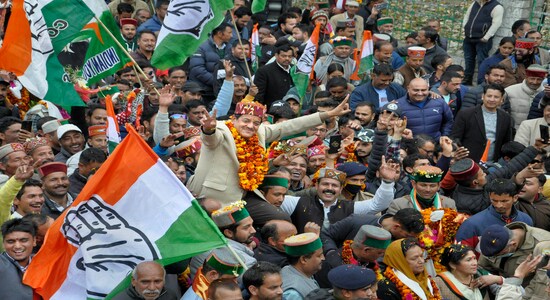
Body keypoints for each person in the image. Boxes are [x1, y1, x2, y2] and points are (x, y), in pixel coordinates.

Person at [186, 91, 350, 206]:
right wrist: (208, 130)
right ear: (234, 119)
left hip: (246, 195)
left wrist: (327, 115)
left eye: (255, 122)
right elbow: (211, 140)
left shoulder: (260, 132)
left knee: (279, 218)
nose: (251, 126)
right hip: (211, 197)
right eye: (245, 121)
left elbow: (290, 126)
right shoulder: (221, 129)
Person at [282, 163, 398, 232]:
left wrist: (387, 181)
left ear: (341, 188)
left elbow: (379, 204)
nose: (330, 188)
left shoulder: (349, 207)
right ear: (316, 185)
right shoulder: (297, 202)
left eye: (334, 185)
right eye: (325, 184)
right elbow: (272, 198)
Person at [455, 178, 533, 250]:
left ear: (515, 198)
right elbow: (460, 255)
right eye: (494, 200)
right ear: (489, 197)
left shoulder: (526, 220)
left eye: (504, 201)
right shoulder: (471, 224)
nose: (498, 205)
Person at [478, 223, 550, 299]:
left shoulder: (544, 245)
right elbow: (483, 267)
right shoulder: (494, 239)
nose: (496, 257)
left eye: (501, 254)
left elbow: (542, 285)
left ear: (513, 244)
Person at [189, 201, 256, 278]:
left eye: (252, 225)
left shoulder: (208, 240)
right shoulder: (244, 262)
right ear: (229, 233)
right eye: (246, 227)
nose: (253, 230)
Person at [451, 84, 512, 163]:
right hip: (468, 161)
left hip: (493, 163)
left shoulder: (505, 117)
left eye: (496, 97)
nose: (492, 99)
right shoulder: (466, 114)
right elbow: (455, 138)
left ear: (502, 100)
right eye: (489, 96)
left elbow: (507, 141)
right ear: (483, 96)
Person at [321, 208, 425, 255]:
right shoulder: (357, 221)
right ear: (396, 227)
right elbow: (326, 234)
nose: (408, 240)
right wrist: (331, 253)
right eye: (407, 235)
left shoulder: (402, 242)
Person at [318, 225, 391, 288]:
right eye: (380, 253)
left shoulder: (369, 263)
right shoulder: (332, 265)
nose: (382, 256)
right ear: (366, 250)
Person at [377, 238, 442, 299]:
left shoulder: (425, 277)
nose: (422, 261)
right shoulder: (387, 288)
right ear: (400, 261)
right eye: (414, 258)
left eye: (421, 256)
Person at [462, 0, 504, 85]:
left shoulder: (497, 7)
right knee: (468, 59)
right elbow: (467, 16)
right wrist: (465, 29)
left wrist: (486, 37)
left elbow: (496, 23)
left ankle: (481, 83)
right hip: (468, 37)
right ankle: (467, 79)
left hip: (482, 40)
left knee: (482, 61)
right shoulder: (475, 3)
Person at [188, 23, 233, 103]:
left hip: (222, 90)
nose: (232, 35)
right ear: (219, 33)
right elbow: (197, 69)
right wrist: (216, 82)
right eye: (229, 33)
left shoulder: (230, 48)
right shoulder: (200, 46)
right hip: (204, 91)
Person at [387, 165, 456, 214]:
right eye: (423, 185)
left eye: (432, 186)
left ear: (439, 186)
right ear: (414, 184)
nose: (428, 189)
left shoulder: (449, 204)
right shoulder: (399, 205)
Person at [280, 232, 324, 299]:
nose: (323, 258)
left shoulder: (292, 270)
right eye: (319, 255)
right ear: (304, 259)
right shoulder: (293, 294)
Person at [0, 218, 35, 299]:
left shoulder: (43, 264)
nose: (17, 246)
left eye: (24, 240)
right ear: (3, 244)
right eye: (11, 241)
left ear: (34, 241)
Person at [507, 64, 546, 129]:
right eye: (532, 78)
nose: (535, 82)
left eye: (539, 79)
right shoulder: (509, 92)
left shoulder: (546, 94)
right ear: (526, 77)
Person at [113, 261, 178, 300]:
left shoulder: (170, 295)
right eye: (145, 282)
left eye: (157, 281)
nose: (152, 288)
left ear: (164, 281)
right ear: (133, 281)